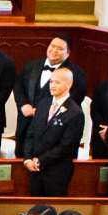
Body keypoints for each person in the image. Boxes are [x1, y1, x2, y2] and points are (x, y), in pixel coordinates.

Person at [21, 66, 82, 196]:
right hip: (34, 170)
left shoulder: (75, 112)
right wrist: (27, 159)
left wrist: (41, 161)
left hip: (56, 172)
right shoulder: (43, 103)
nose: (52, 85)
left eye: (57, 82)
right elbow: (31, 133)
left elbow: (67, 146)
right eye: (51, 81)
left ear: (68, 85)